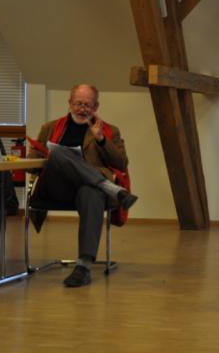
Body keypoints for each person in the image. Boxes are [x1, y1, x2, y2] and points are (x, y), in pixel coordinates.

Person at [27, 84, 138, 287]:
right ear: (70, 104)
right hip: (56, 188)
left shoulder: (109, 131)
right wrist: (35, 154)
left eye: (87, 105)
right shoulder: (50, 128)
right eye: (78, 104)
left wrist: (101, 140)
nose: (82, 109)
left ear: (96, 107)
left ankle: (83, 267)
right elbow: (32, 167)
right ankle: (111, 189)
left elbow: (122, 164)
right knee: (59, 153)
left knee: (91, 193)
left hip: (85, 190)